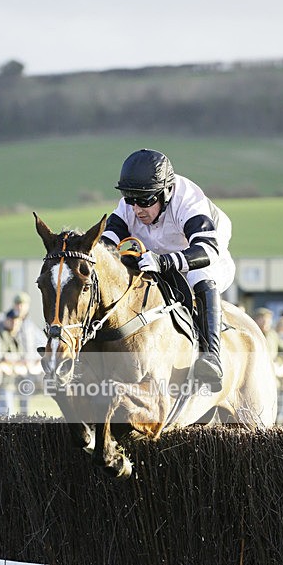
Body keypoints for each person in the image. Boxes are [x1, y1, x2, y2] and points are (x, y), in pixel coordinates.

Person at [100, 149, 235, 391]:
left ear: (166, 193)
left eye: (144, 201)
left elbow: (208, 251)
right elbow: (105, 246)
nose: (137, 209)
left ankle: (211, 358)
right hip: (159, 254)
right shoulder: (129, 204)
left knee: (199, 277)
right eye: (131, 200)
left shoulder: (188, 200)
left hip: (204, 253)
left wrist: (164, 263)